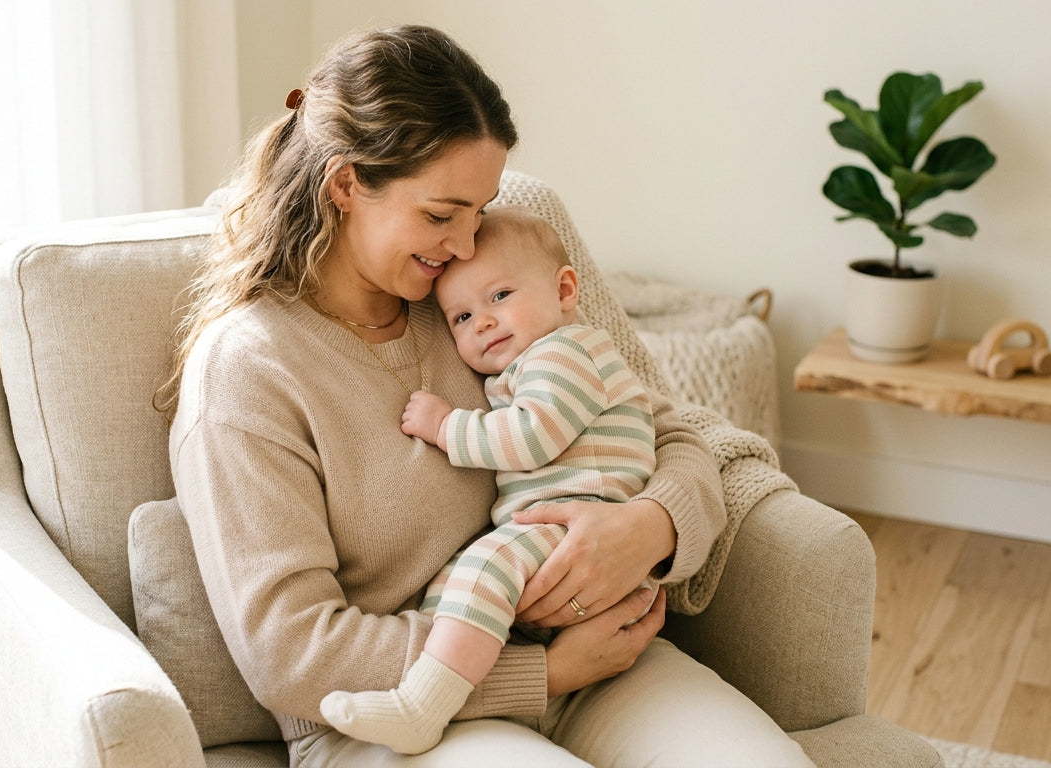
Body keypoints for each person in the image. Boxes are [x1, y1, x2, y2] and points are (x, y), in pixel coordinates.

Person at [160, 23, 814, 767]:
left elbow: (672, 430)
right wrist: (537, 673)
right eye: (442, 215)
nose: (467, 245)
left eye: (481, 208)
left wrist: (651, 527)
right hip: (396, 717)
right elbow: (292, 652)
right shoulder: (247, 373)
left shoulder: (480, 294)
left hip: (596, 661)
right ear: (345, 184)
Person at [318, 206, 662, 754]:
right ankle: (445, 686)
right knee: (456, 583)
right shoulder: (536, 358)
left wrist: (447, 426)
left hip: (577, 524)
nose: (481, 322)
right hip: (548, 536)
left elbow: (532, 436)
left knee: (480, 568)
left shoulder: (565, 352)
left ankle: (423, 705)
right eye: (460, 317)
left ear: (565, 289)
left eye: (500, 296)